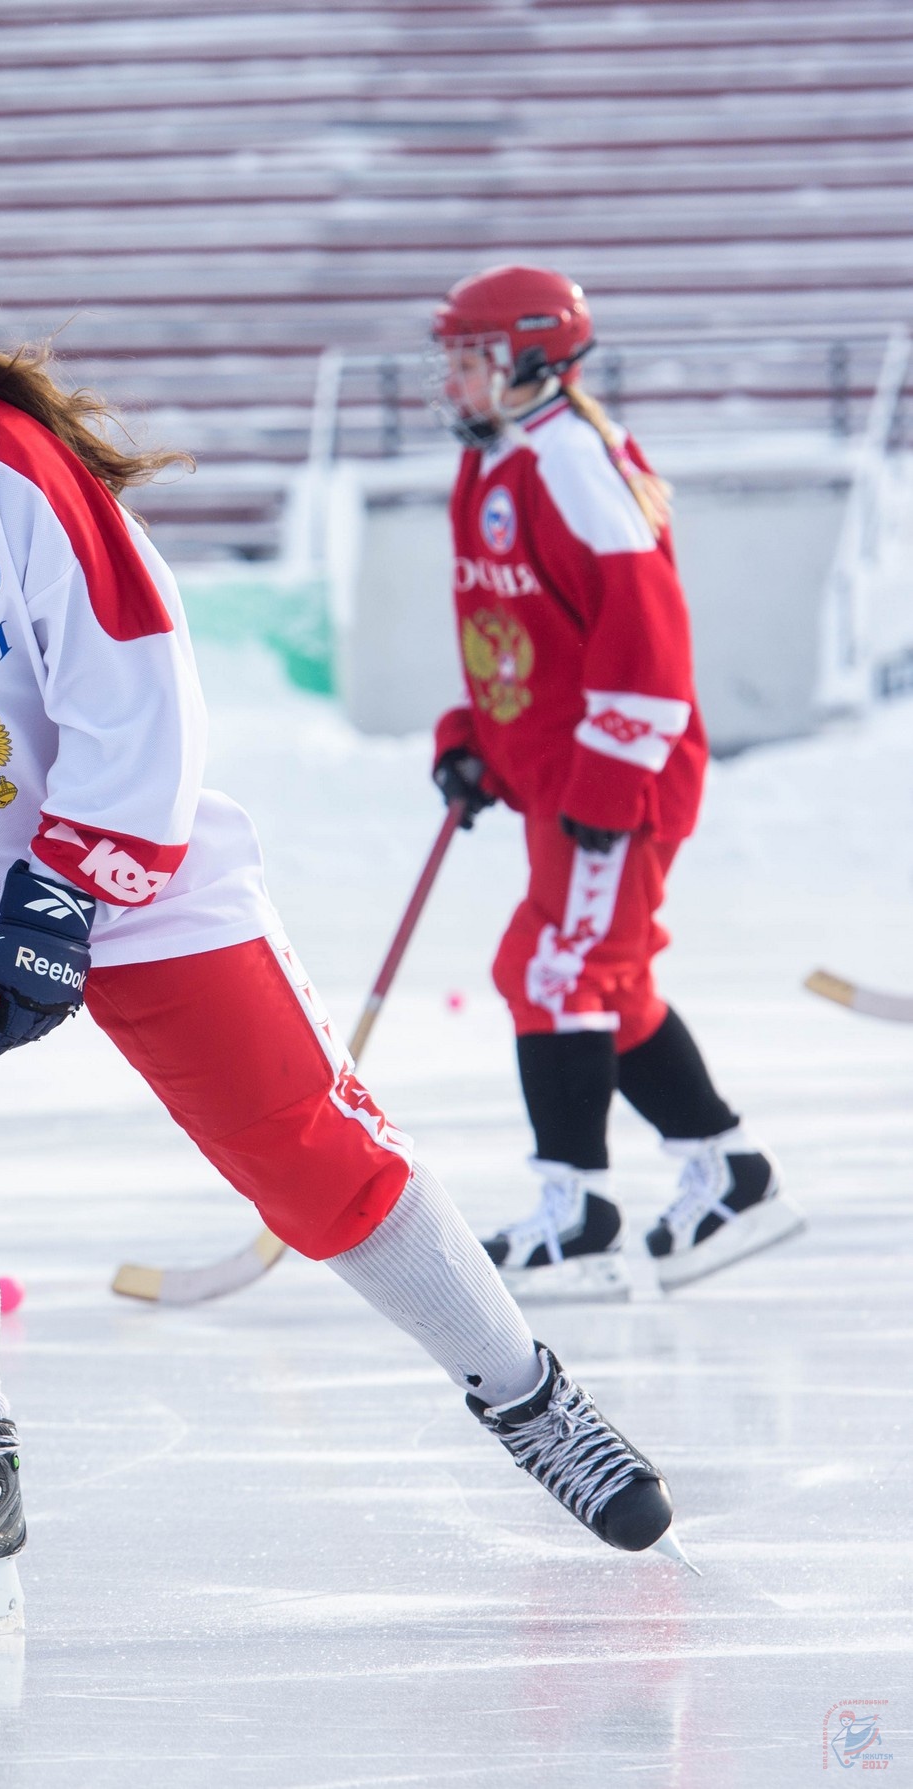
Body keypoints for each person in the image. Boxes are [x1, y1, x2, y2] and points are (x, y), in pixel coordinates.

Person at [0, 162, 687, 1641]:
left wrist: (65, 898)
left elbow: (135, 695)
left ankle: (530, 1397)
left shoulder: (8, 466)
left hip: (121, 867)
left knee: (310, 1155)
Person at [427, 266, 806, 1302]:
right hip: (558, 773)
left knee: (553, 970)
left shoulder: (573, 465)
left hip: (616, 783)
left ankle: (578, 1211)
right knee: (605, 979)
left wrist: (606, 784)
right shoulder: (499, 459)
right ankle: (729, 1172)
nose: (454, 378)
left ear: (535, 357)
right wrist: (473, 736)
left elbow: (646, 645)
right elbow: (518, 633)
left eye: (473, 358)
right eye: (451, 359)